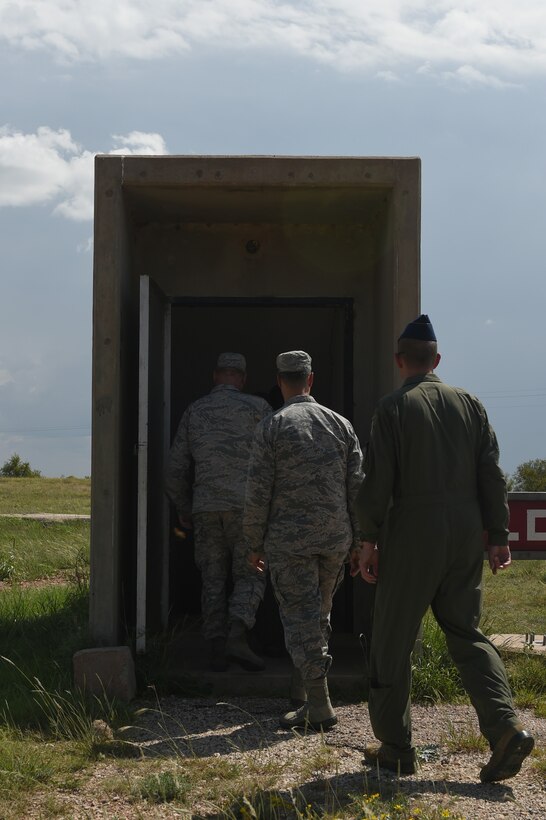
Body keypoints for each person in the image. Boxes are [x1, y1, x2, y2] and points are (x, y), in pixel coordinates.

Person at [352, 314, 534, 782]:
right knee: (467, 633)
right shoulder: (470, 404)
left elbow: (378, 483)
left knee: (392, 640)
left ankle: (395, 747)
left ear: (399, 361)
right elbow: (491, 474)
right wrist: (498, 535)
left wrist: (368, 540)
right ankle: (505, 728)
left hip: (413, 533)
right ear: (437, 360)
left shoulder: (393, 408)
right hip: (465, 533)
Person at [244, 350, 364, 730]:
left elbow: (258, 492)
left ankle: (320, 706)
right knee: (318, 615)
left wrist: (253, 542)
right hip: (334, 540)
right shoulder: (341, 425)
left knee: (300, 619)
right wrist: (359, 542)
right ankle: (302, 692)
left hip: (290, 542)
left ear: (280, 381)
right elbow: (357, 489)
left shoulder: (272, 426)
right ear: (310, 380)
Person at [165, 352, 271, 672]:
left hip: (206, 509)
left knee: (212, 578)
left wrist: (184, 507)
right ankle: (237, 634)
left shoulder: (195, 411)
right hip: (246, 510)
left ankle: (215, 647)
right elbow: (275, 461)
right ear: (243, 379)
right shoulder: (259, 409)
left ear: (215, 376)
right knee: (251, 572)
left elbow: (174, 468)